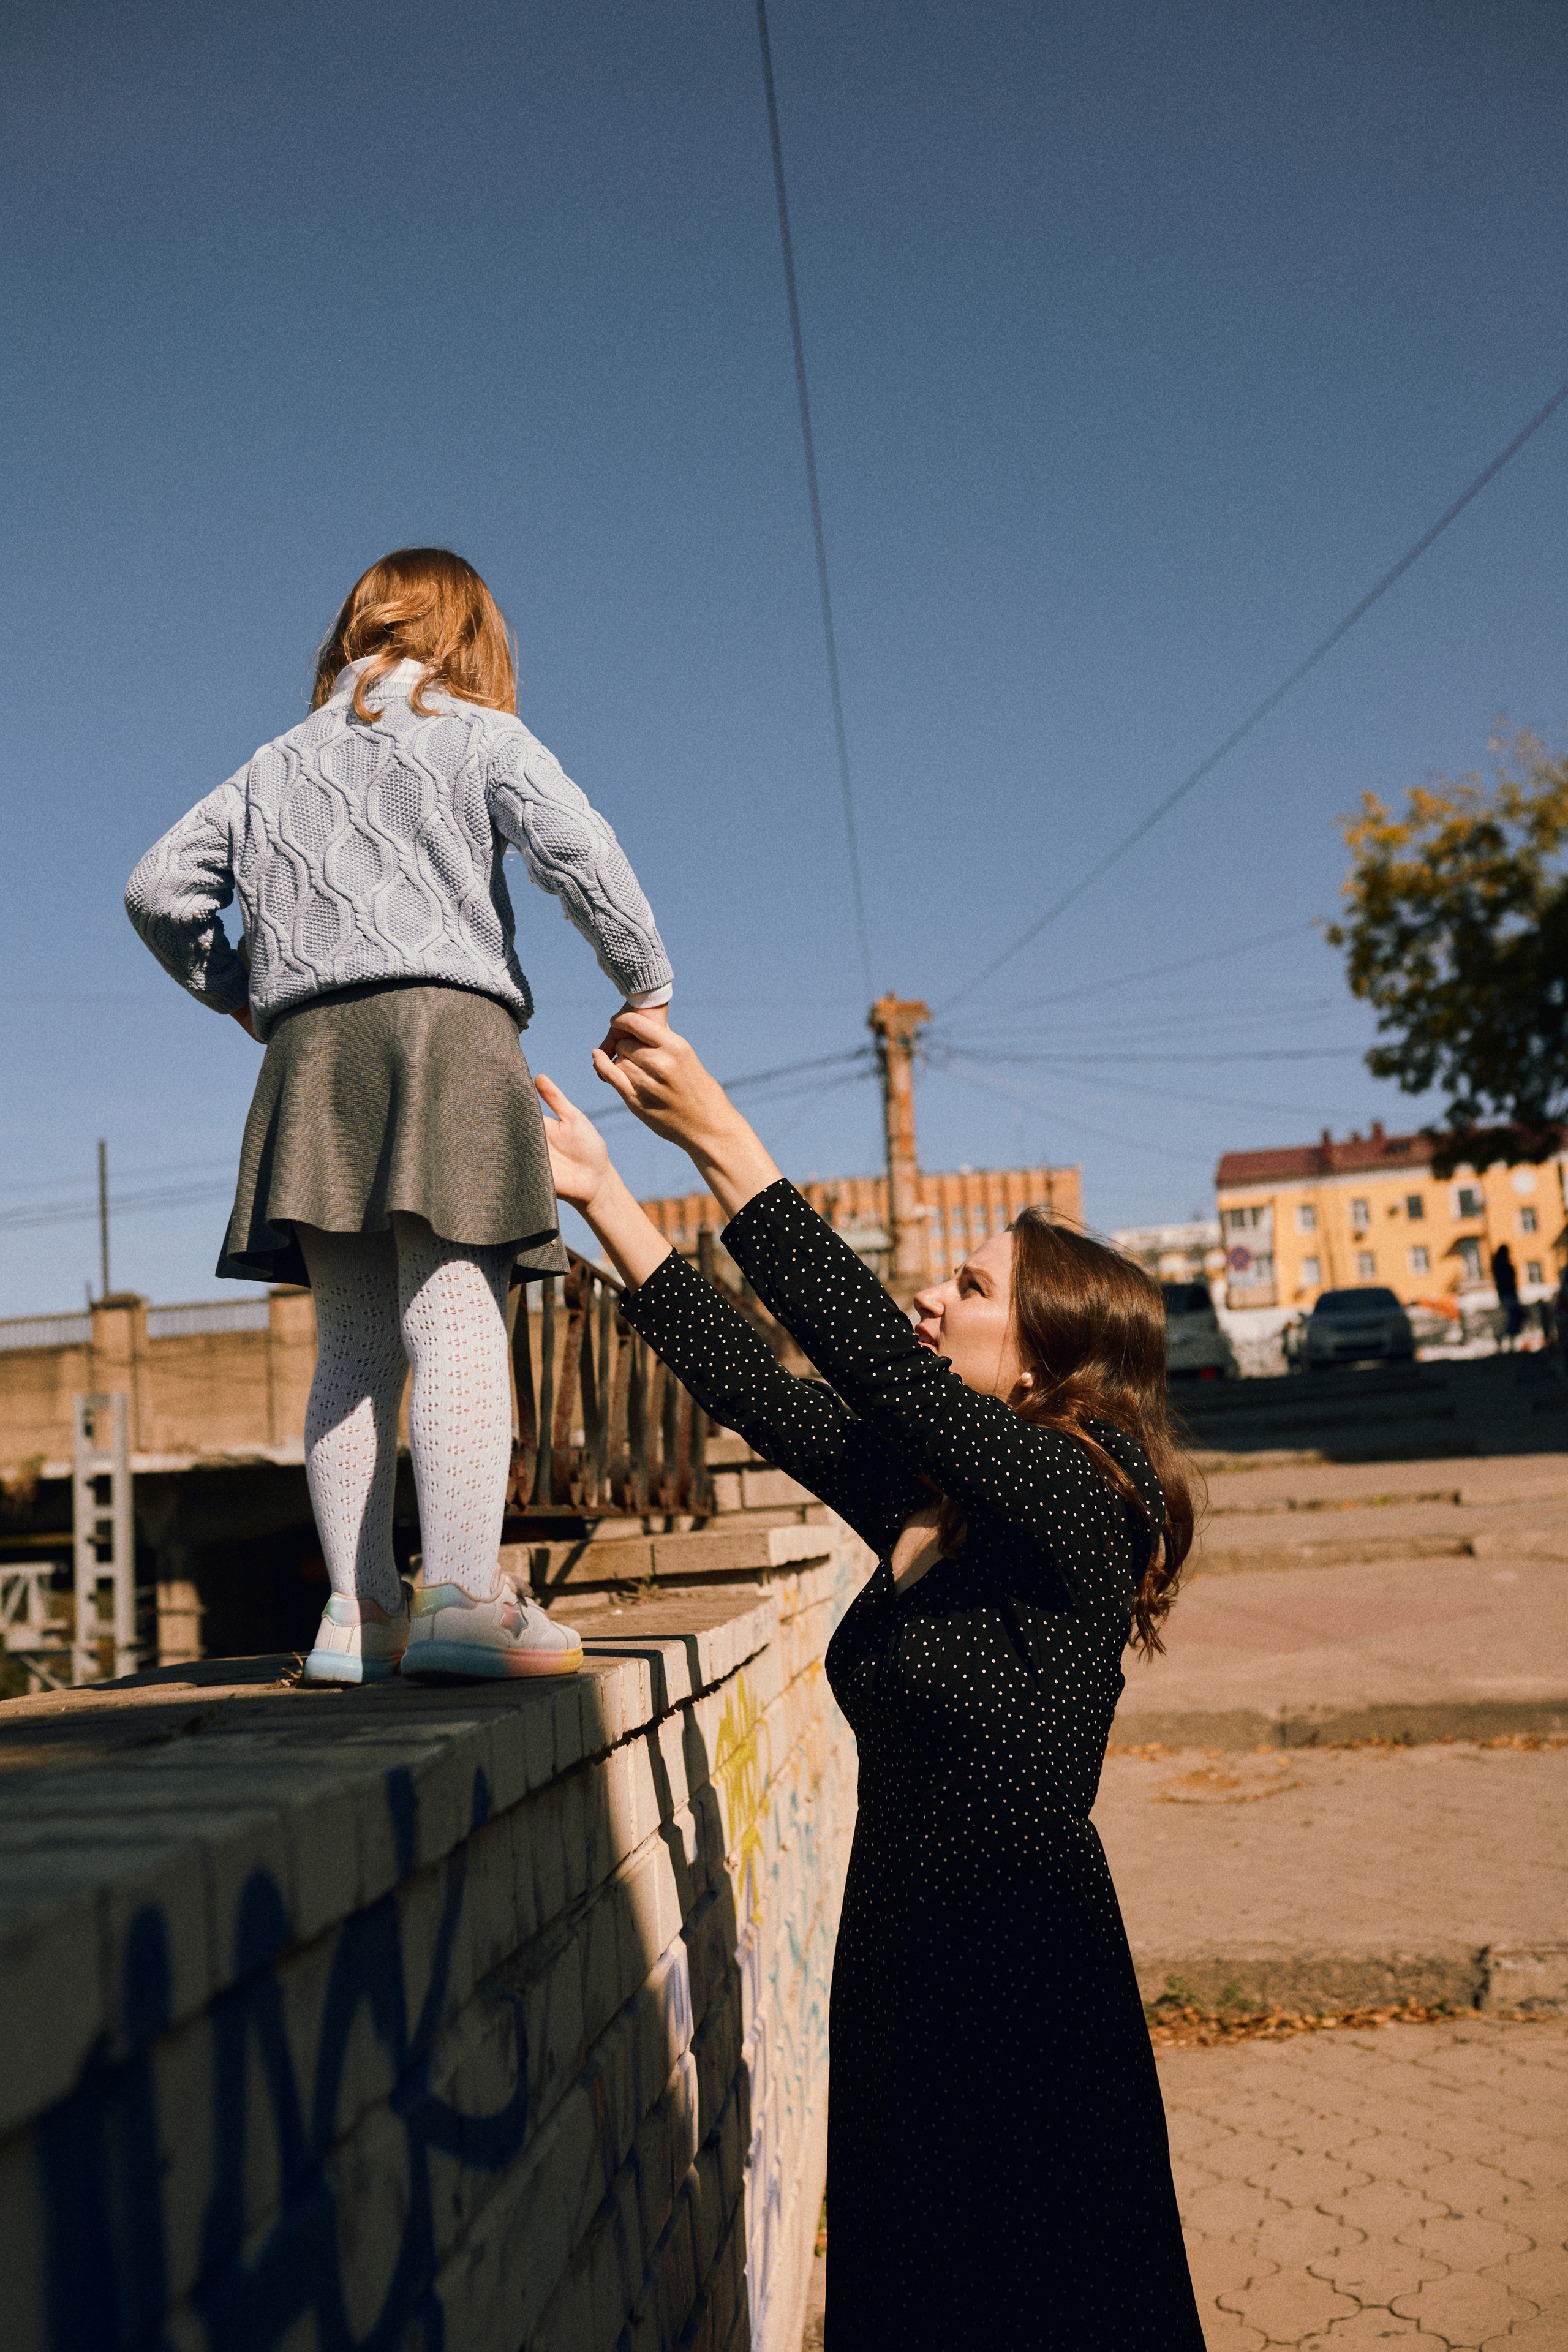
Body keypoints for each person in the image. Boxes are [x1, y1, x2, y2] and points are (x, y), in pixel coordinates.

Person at [537, 1016, 1207, 2350]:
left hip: (1019, 1958)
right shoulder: (938, 1502)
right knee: (917, 2284)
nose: (928, 1301)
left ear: (1038, 1354)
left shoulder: (1089, 1503)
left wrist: (719, 1139)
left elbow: (875, 1367)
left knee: (1038, 2296)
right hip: (899, 1943)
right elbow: (760, 1392)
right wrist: (605, 1192)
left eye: (963, 1285)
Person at [126, 547, 673, 1685]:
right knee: (458, 1317)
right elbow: (583, 853)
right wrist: (644, 983)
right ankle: (467, 1599)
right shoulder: (480, 734)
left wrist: (236, 989)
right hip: (448, 1037)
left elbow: (156, 885)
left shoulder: (274, 763)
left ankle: (358, 1613)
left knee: (356, 1342)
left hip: (312, 1055)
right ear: (471, 634)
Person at [1492, 1242, 1525, 1349]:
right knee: (1515, 1318)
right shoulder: (1506, 1266)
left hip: (1503, 1295)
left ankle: (1506, 1339)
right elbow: (1512, 1282)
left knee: (1514, 1318)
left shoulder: (1497, 1267)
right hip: (1510, 1295)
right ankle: (1506, 1338)